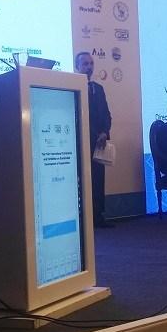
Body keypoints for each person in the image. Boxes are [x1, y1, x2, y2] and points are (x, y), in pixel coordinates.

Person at [75, 52, 114, 228]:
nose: (89, 67)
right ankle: (83, 219)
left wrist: (105, 132)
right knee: (83, 180)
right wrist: (93, 134)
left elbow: (106, 114)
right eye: (85, 64)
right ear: (77, 66)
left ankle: (98, 216)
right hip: (81, 142)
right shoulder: (72, 86)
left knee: (98, 180)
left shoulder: (98, 88)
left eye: (91, 63)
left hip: (99, 143)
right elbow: (79, 115)